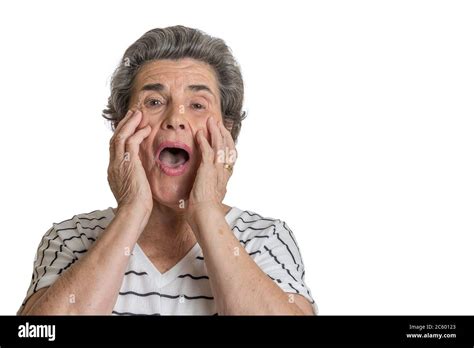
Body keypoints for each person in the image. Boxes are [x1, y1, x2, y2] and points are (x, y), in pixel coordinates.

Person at [18, 25, 317, 315]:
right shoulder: (70, 238)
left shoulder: (266, 239)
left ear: (227, 129)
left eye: (198, 104)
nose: (176, 118)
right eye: (155, 101)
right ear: (122, 126)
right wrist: (132, 211)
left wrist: (206, 212)